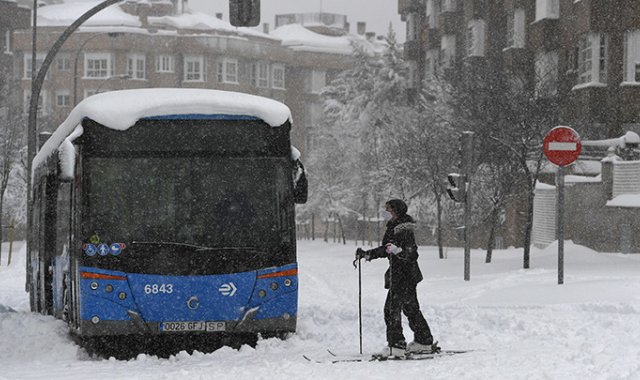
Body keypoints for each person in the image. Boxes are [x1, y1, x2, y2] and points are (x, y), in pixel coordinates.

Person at [355, 199, 436, 357]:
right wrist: (368, 254)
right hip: (404, 275)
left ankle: (397, 345)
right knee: (411, 309)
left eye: (389, 209)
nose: (387, 212)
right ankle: (424, 340)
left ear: (397, 211)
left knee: (391, 310)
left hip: (403, 276)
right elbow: (387, 249)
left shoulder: (403, 229)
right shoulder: (395, 226)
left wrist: (398, 250)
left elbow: (412, 253)